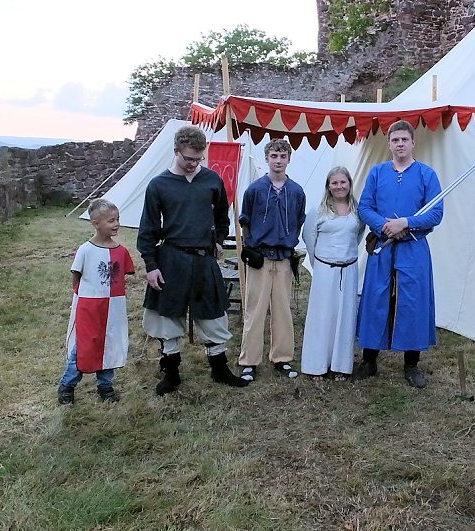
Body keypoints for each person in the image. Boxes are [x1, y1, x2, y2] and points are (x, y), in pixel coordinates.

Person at [137, 125, 248, 395]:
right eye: (188, 158)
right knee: (168, 316)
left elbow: (222, 214)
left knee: (212, 314)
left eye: (198, 159)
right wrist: (151, 266)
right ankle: (171, 372)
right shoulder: (159, 185)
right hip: (171, 257)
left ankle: (219, 369)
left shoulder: (211, 180)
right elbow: (148, 229)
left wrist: (219, 240)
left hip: (203, 259)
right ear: (176, 151)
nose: (193, 164)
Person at [354, 120, 443, 389]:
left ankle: (411, 364)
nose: (400, 144)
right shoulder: (378, 173)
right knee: (376, 300)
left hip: (413, 249)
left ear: (413, 142)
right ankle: (369, 360)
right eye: (395, 140)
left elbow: (436, 213)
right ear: (389, 144)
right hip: (383, 248)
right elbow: (365, 207)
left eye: (404, 140)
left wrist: (405, 223)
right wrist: (384, 225)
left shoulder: (427, 175)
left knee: (412, 303)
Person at [237, 138, 306, 381]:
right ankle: (249, 361)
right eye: (274, 156)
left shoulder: (296, 191)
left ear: (289, 159)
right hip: (260, 257)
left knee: (282, 310)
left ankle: (282, 358)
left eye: (282, 156)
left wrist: (289, 243)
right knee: (255, 310)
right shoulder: (255, 189)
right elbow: (245, 220)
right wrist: (250, 248)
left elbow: (298, 220)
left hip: (284, 258)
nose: (278, 161)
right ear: (267, 158)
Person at [58, 199, 135, 404]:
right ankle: (68, 385)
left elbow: (122, 277)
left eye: (117, 219)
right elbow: (77, 277)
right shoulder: (86, 249)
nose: (116, 224)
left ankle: (105, 385)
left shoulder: (121, 250)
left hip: (114, 307)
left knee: (109, 343)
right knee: (85, 345)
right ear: (96, 223)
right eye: (111, 220)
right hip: (90, 306)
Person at [300, 166, 365, 381]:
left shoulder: (357, 210)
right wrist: (320, 263)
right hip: (325, 270)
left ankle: (341, 365)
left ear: (349, 184)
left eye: (343, 182)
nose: (339, 186)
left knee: (345, 316)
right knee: (322, 316)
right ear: (328, 186)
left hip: (348, 270)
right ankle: (316, 365)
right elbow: (310, 238)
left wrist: (346, 258)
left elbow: (357, 235)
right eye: (334, 183)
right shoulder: (318, 211)